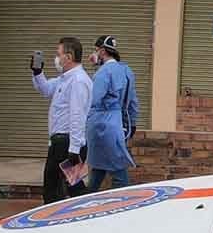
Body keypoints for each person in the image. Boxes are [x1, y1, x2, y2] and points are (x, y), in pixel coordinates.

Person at [32, 36, 92, 202]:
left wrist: (74, 149)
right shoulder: (64, 79)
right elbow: (46, 90)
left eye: (58, 54)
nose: (56, 58)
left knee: (53, 190)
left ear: (69, 57)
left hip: (67, 144)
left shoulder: (78, 81)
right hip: (61, 143)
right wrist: (37, 72)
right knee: (72, 188)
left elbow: (77, 115)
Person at [84, 34, 139, 192]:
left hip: (101, 124)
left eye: (96, 50)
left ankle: (122, 204)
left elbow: (94, 100)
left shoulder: (102, 73)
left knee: (118, 170)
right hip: (117, 123)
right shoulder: (126, 70)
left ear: (102, 51)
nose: (94, 54)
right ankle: (88, 198)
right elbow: (133, 100)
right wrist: (133, 122)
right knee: (99, 167)